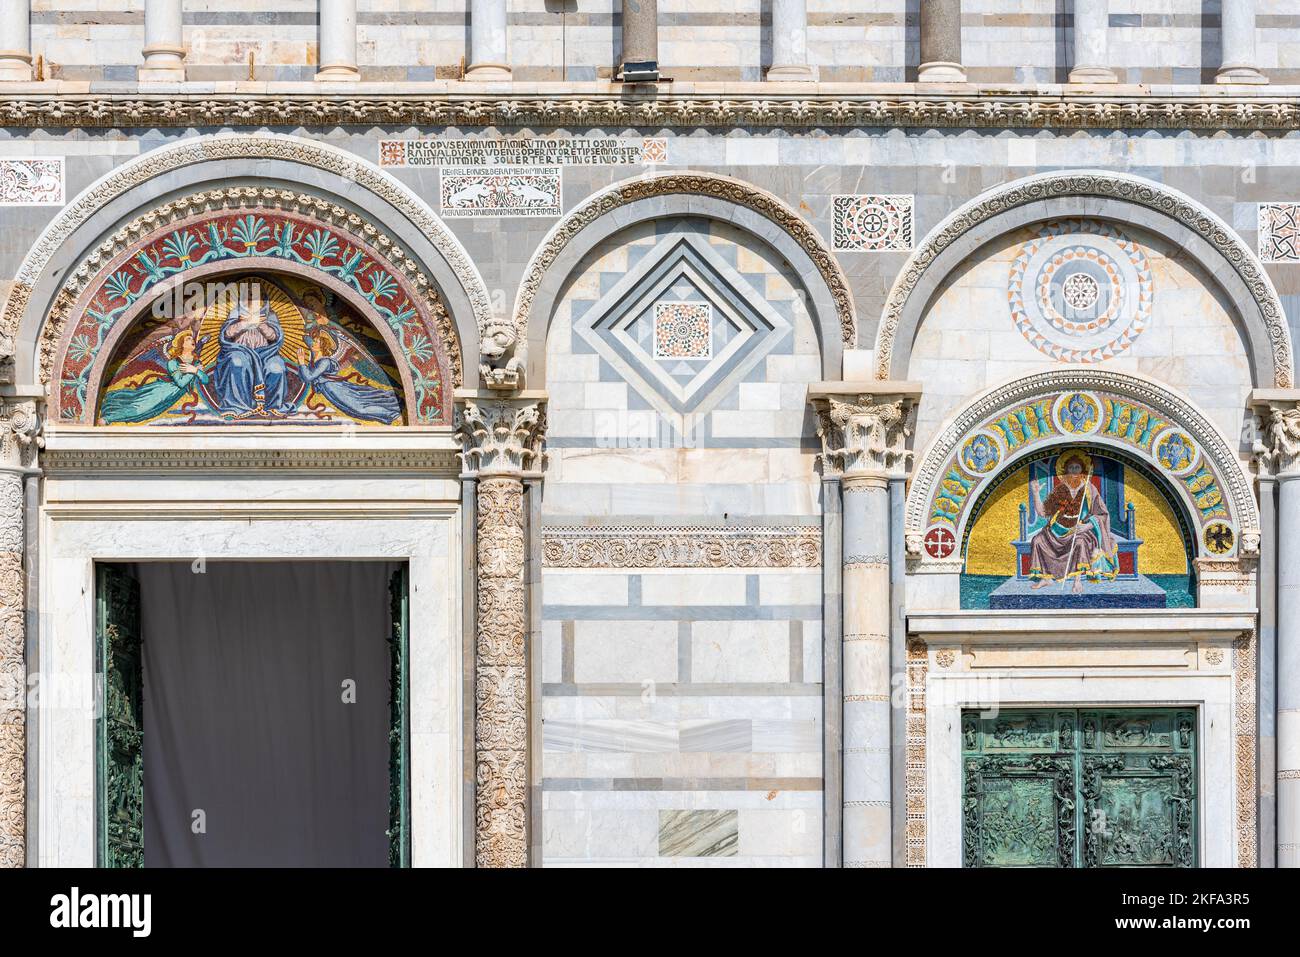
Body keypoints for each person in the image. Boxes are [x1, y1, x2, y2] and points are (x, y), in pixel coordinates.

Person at [1027, 450, 1118, 593]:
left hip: (1080, 530)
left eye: (1077, 468)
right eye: (1071, 468)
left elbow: (1102, 514)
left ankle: (1077, 581)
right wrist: (1036, 493)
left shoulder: (1089, 489)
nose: (1074, 471)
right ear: (1065, 470)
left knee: (1079, 543)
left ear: (1082, 470)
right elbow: (1042, 512)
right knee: (1037, 540)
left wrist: (1088, 526)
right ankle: (1045, 578)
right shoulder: (1061, 489)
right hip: (1057, 530)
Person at [100, 328, 210, 424]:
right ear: (182, 344)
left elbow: (205, 380)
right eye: (188, 339)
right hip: (161, 391)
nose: (192, 340)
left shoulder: (196, 362)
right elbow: (180, 383)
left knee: (147, 414)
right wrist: (194, 371)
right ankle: (108, 418)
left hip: (171, 397)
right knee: (140, 408)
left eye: (192, 338)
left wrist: (195, 370)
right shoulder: (173, 363)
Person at [295, 329, 402, 425]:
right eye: (314, 341)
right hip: (330, 390)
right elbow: (306, 375)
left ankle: (393, 414)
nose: (313, 343)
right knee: (353, 410)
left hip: (335, 388)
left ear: (322, 346)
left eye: (316, 342)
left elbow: (309, 377)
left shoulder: (325, 362)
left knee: (359, 409)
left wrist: (301, 362)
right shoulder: (314, 361)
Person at [214, 285, 290, 418]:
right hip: (240, 350)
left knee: (277, 367)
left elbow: (274, 337)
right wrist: (244, 323)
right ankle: (237, 406)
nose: (253, 300)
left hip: (265, 353)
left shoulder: (269, 314)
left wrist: (261, 324)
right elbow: (227, 334)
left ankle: (272, 406)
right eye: (250, 297)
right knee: (237, 362)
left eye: (257, 298)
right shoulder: (236, 313)